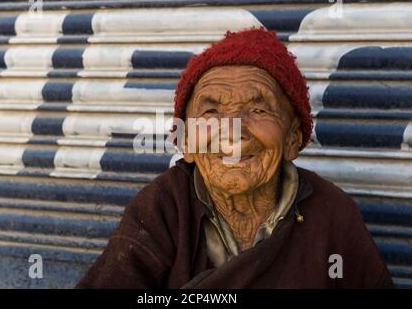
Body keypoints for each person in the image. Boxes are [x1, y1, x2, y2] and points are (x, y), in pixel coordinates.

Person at [76, 27, 393, 288]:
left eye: (258, 109)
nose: (230, 131)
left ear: (293, 139)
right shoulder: (163, 206)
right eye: (211, 111)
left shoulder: (331, 214)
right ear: (185, 140)